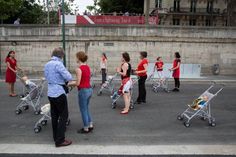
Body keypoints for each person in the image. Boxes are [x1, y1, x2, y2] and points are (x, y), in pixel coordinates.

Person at [44, 47, 73, 147]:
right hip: (59, 92)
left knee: (54, 116)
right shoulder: (58, 64)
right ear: (61, 56)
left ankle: (55, 136)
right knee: (64, 116)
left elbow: (46, 76)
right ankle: (60, 140)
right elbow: (69, 77)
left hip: (50, 92)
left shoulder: (47, 64)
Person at [68, 51, 93, 134]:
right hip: (89, 89)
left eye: (76, 57)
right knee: (86, 108)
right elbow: (84, 79)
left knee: (83, 109)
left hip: (83, 91)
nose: (76, 58)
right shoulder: (87, 67)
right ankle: (90, 124)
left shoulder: (78, 69)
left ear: (79, 58)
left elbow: (78, 83)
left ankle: (86, 128)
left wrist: (69, 84)